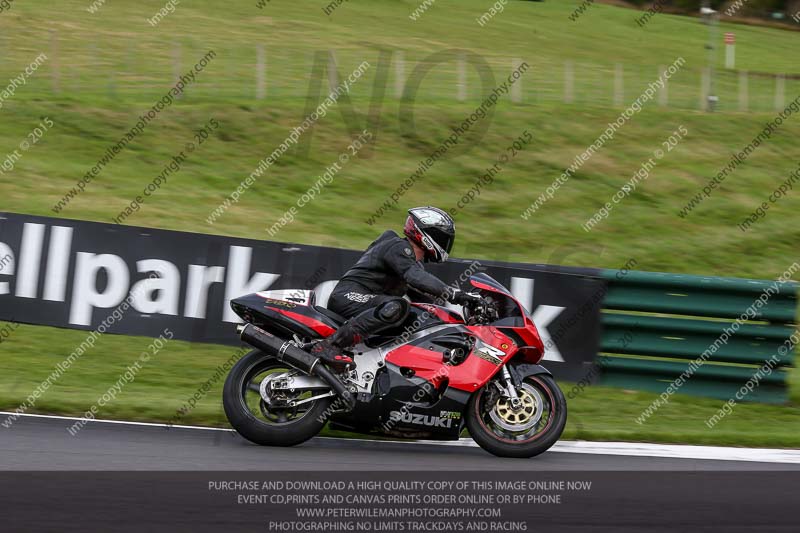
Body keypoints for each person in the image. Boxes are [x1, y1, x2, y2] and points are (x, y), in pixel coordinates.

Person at [310, 206, 475, 370]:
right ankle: (330, 345)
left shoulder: (409, 264)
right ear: (428, 234)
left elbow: (428, 299)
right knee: (397, 306)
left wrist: (462, 320)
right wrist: (455, 294)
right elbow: (417, 278)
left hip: (368, 303)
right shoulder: (397, 247)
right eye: (443, 236)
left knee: (418, 315)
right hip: (347, 296)